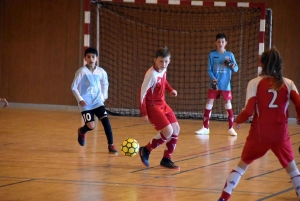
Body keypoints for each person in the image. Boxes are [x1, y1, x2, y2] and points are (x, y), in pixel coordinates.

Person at [218, 47, 300, 201]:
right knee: (293, 170)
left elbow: (249, 111)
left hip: (259, 134)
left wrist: (237, 120)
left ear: (262, 63)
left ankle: (223, 197)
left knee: (241, 166)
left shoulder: (254, 83)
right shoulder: (288, 83)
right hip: (281, 135)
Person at [138, 46, 180, 170]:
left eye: (166, 61)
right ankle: (145, 150)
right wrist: (144, 113)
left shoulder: (163, 70)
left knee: (176, 129)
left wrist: (170, 90)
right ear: (155, 60)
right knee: (168, 131)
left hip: (162, 103)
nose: (163, 64)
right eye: (161, 61)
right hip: (152, 105)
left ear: (169, 61)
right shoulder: (151, 75)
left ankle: (166, 159)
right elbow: (142, 93)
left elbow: (164, 82)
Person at [71, 47, 117, 154]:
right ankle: (82, 131)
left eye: (93, 56)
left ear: (97, 58)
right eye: (88, 57)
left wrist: (103, 96)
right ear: (85, 58)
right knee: (91, 126)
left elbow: (105, 84)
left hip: (97, 102)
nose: (91, 59)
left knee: (106, 122)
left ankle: (111, 145)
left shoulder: (101, 72)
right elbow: (73, 87)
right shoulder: (81, 71)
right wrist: (80, 99)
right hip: (86, 104)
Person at [195, 33, 238, 136]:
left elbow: (236, 69)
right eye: (218, 42)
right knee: (209, 104)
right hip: (214, 84)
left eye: (222, 42)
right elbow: (209, 70)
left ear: (226, 43)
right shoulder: (212, 55)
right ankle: (205, 127)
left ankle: (231, 128)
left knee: (228, 105)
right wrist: (214, 79)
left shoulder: (230, 55)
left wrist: (230, 64)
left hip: (225, 85)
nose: (220, 44)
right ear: (216, 43)